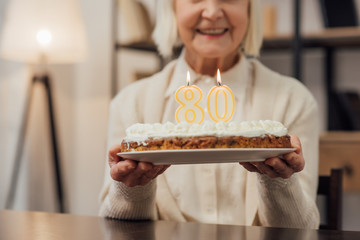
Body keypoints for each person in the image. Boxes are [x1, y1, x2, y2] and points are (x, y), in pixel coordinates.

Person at [99, 0, 320, 228]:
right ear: (172, 7)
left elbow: (301, 228)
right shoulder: (130, 102)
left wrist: (279, 183)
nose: (212, 13)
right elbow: (116, 226)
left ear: (250, 8)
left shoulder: (293, 100)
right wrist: (131, 188)